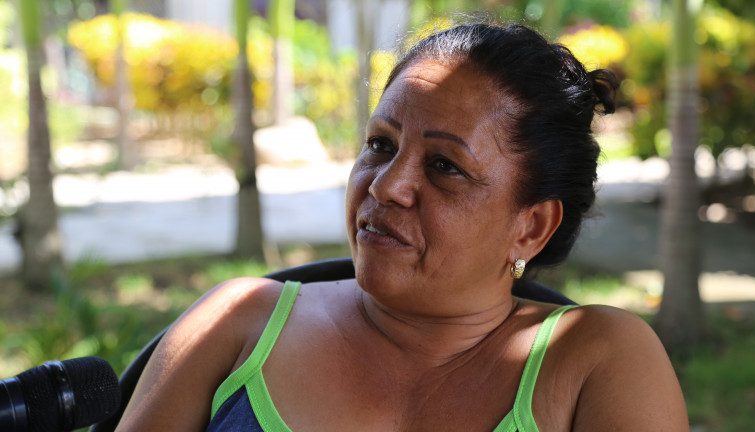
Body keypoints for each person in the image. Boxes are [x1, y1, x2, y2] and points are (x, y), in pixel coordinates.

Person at [117, 21, 688, 431]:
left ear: (531, 227)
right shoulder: (237, 323)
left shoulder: (597, 360)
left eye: (444, 166)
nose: (386, 186)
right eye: (380, 145)